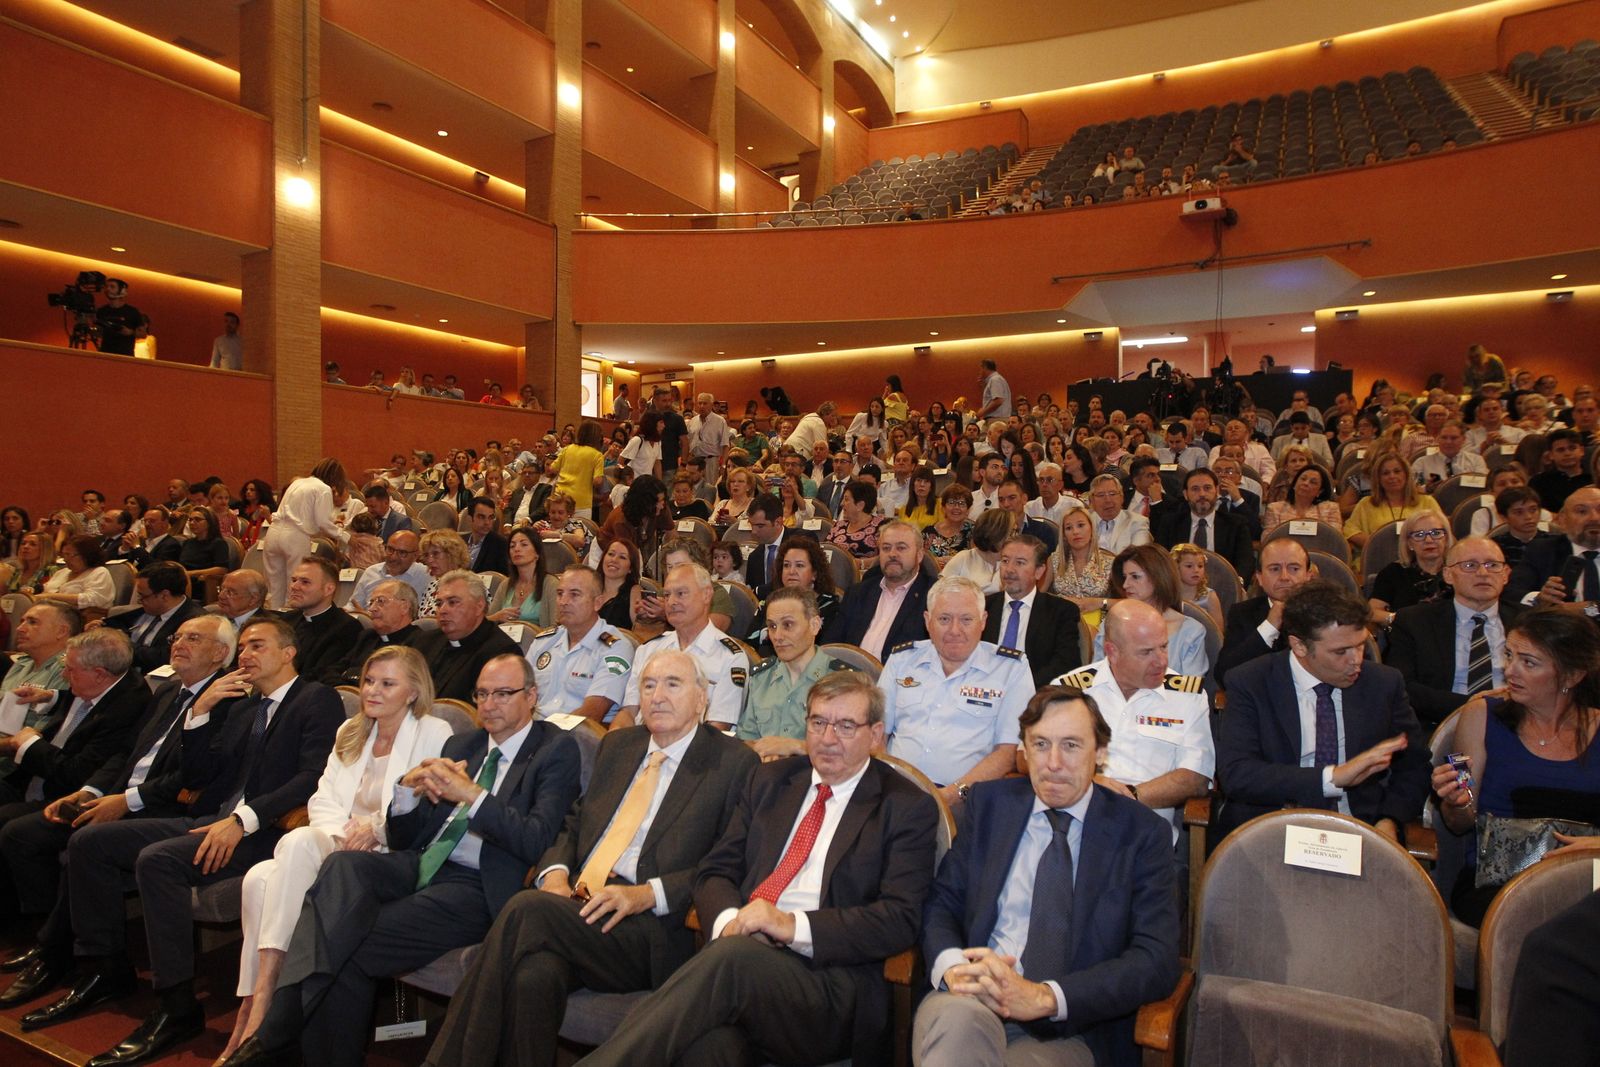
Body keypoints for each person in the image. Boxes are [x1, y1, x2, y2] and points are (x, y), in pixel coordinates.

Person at [217, 655, 582, 1067]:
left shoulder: (555, 749)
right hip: (420, 862)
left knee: (346, 941)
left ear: (531, 696)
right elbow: (410, 836)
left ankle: (277, 1030)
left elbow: (535, 839)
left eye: (503, 694)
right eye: (481, 694)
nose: (489, 704)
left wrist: (472, 796)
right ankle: (279, 1032)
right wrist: (406, 792)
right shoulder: (464, 745)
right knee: (343, 866)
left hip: (477, 884)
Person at [569, 669, 937, 1067]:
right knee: (708, 1050)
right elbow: (716, 871)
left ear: (876, 735)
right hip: (741, 967)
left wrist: (788, 926)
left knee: (731, 961)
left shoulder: (905, 807)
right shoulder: (771, 781)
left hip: (829, 983)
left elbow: (898, 918)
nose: (828, 738)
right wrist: (730, 921)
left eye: (846, 726)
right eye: (818, 722)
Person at [13, 617, 342, 1061]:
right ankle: (105, 967)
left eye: (257, 645)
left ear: (288, 653)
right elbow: (201, 775)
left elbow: (312, 776)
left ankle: (177, 1005)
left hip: (265, 832)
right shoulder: (243, 705)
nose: (246, 654)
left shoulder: (315, 699)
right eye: (242, 647)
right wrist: (201, 713)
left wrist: (244, 819)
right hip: (211, 819)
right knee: (90, 843)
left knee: (157, 860)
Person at [424, 648, 757, 1067]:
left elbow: (726, 864)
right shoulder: (619, 745)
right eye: (648, 685)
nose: (657, 696)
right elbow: (575, 822)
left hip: (647, 926)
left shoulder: (732, 762)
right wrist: (555, 874)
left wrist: (645, 895)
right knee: (534, 976)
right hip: (580, 905)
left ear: (701, 699)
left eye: (673, 684)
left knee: (525, 908)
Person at [914, 685, 1181, 1067]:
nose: (1053, 762)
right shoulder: (992, 806)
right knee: (957, 1027)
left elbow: (1155, 959)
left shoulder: (1140, 834)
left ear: (1100, 753)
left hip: (1071, 1027)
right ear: (1024, 750)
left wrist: (1045, 997)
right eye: (1040, 744)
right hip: (971, 1000)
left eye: (1071, 745)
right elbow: (942, 903)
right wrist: (955, 968)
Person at [219, 645, 453, 1058]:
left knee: (272, 866)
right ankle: (260, 1002)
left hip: (385, 852)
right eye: (367, 681)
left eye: (387, 684)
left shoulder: (434, 732)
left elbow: (422, 807)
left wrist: (374, 830)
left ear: (413, 691)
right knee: (262, 875)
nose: (372, 691)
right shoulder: (352, 730)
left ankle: (261, 1006)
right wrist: (343, 837)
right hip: (338, 841)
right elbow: (322, 800)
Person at [0, 617, 232, 1008]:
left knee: (82, 843)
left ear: (221, 653)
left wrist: (127, 801)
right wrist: (90, 791)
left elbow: (194, 777)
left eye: (194, 638)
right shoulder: (169, 689)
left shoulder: (227, 700)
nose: (178, 644)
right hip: (120, 794)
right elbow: (128, 751)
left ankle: (81, 960)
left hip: (164, 806)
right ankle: (59, 951)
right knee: (34, 829)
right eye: (177, 637)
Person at [1215, 582, 1431, 841]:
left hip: (1359, 827)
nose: (1356, 660)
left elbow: (1415, 767)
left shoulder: (1383, 684)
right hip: (1273, 828)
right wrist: (1332, 777)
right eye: (1341, 651)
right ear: (1300, 646)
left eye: (1361, 645)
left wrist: (1390, 820)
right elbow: (1238, 774)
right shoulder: (1251, 682)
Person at [1430, 607, 1600, 926]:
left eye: (1528, 662)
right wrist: (1455, 800)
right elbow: (1460, 822)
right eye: (1509, 655)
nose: (1510, 671)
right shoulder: (1481, 717)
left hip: (1588, 879)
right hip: (1498, 882)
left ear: (1573, 675)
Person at [1055, 598, 1213, 847]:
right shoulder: (1069, 690)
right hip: (1072, 834)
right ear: (1112, 651)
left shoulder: (1187, 696)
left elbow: (1196, 776)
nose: (1161, 661)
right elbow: (1029, 757)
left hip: (1145, 840)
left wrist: (1129, 797)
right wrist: (1088, 784)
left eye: (1163, 647)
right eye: (1146, 652)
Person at [880, 576, 1036, 807]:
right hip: (895, 791)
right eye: (944, 619)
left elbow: (1007, 752)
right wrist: (886, 783)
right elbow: (875, 733)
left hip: (966, 800)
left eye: (966, 619)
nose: (955, 630)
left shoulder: (1010, 669)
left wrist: (954, 794)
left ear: (982, 621)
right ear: (927, 620)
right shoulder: (902, 660)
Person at [1388, 538, 1523, 728]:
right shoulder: (1414, 621)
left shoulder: (1529, 621)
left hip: (1517, 721)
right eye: (1470, 565)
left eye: (1492, 565)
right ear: (1448, 575)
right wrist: (1472, 706)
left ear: (1506, 575)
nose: (1483, 573)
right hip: (1444, 722)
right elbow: (1403, 686)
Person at [612, 564, 750, 730]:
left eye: (681, 594)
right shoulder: (648, 650)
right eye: (667, 595)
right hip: (643, 744)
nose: (671, 602)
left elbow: (717, 728)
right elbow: (628, 712)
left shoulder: (730, 657)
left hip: (695, 750)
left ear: (706, 595)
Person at [736, 587, 859, 759]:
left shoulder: (844, 682)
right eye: (772, 626)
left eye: (788, 625)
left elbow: (855, 751)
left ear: (814, 626)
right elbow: (745, 738)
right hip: (765, 778)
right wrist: (761, 751)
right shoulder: (761, 677)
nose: (777, 636)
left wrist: (798, 747)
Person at [525, 565, 634, 721]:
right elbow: (520, 695)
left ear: (597, 603)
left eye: (574, 595)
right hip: (535, 732)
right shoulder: (544, 642)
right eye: (560, 594)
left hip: (579, 736)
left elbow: (593, 712)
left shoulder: (615, 647)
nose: (563, 602)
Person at [823, 518, 935, 659]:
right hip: (850, 676)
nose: (892, 554)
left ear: (919, 555)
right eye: (886, 548)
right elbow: (831, 646)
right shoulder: (858, 593)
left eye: (901, 547)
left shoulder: (934, 597)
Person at [982, 534, 1082, 688]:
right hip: (983, 693)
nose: (1009, 570)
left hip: (1035, 697)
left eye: (1020, 563)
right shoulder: (982, 607)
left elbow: (1066, 665)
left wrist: (1021, 689)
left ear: (1039, 571)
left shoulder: (1061, 612)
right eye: (1005, 561)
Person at [1214, 537, 1313, 687]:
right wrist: (1269, 627)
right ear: (1259, 578)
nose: (1284, 577)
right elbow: (1225, 675)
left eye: (1294, 568)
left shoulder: (1329, 614)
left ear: (1308, 576)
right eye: (1275, 569)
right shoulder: (1242, 613)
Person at [414, 570, 522, 702]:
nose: (443, 610)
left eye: (453, 602)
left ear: (479, 606)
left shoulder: (501, 653)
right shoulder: (425, 642)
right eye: (439, 604)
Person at [262, 458, 347, 609]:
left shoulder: (297, 482)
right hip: (295, 535)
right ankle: (292, 622)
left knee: (273, 586)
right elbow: (323, 522)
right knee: (295, 584)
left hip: (273, 532)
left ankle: (274, 618)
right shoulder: (323, 488)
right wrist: (346, 536)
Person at [1151, 467, 1255, 584]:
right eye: (1195, 489)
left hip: (1224, 586)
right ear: (1186, 494)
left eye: (1207, 488)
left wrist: (1236, 585)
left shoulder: (1236, 524)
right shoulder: (1170, 523)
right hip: (1179, 588)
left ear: (1216, 491)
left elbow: (1246, 562)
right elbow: (1160, 559)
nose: (1202, 494)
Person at [102, 561, 203, 675]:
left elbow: (162, 658)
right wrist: (102, 628)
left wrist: (120, 645)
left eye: (143, 596)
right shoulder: (149, 610)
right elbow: (122, 625)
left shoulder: (195, 622)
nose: (139, 601)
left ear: (164, 596)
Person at [1507, 485, 1600, 608]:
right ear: (1562, 520)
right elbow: (1512, 593)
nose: (1594, 518)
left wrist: (1589, 610)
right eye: (1582, 511)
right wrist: (1539, 598)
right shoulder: (1542, 550)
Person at [1343, 449, 1444, 551]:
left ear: (1406, 474)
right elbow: (1350, 530)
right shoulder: (1366, 503)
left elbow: (1443, 531)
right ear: (1378, 479)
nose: (1392, 476)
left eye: (1397, 471)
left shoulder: (1427, 502)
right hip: (1378, 557)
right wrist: (1376, 543)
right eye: (1385, 473)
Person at [1368, 510, 1453, 628]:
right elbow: (1372, 612)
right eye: (1419, 535)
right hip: (1408, 639)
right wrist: (1399, 620)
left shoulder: (1459, 570)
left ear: (1446, 539)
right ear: (1409, 543)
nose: (1428, 540)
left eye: (1436, 533)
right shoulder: (1394, 572)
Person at [487, 526, 556, 627]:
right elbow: (484, 623)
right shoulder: (505, 585)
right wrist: (497, 617)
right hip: (504, 641)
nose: (517, 549)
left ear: (537, 553)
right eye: (512, 546)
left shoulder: (551, 584)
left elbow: (557, 628)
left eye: (524, 545)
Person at [550, 422, 608, 519]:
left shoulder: (567, 449)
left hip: (560, 498)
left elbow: (552, 468)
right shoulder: (597, 455)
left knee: (557, 531)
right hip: (581, 503)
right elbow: (597, 481)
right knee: (579, 532)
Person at [1263, 462, 1342, 532]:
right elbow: (1268, 539)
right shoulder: (1275, 509)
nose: (1306, 483)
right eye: (1303, 479)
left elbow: (1335, 540)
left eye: (1313, 482)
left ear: (1320, 491)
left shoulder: (1331, 509)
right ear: (1294, 484)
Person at [1530, 427, 1594, 512]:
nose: (1567, 453)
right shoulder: (1539, 482)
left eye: (1572, 448)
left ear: (1582, 451)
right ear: (1551, 455)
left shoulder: (1594, 479)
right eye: (1560, 450)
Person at [1087, 474, 1151, 555]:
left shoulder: (1137, 522)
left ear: (1122, 497)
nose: (1108, 500)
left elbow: (1138, 557)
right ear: (1091, 500)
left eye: (1112, 494)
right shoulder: (1085, 522)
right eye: (1101, 495)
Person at [825, 479, 886, 560]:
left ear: (860, 505)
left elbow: (885, 556)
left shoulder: (881, 526)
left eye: (846, 499)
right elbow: (825, 550)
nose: (841, 504)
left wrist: (860, 564)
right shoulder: (839, 525)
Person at [924, 484, 975, 565]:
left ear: (968, 509)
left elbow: (977, 561)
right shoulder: (928, 532)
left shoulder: (975, 531)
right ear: (943, 507)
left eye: (962, 503)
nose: (956, 507)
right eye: (951, 502)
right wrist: (935, 562)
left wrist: (954, 561)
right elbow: (920, 560)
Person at [93, 278, 142, 356]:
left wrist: (130, 332)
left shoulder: (132, 312)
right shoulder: (101, 311)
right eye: (106, 286)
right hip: (105, 354)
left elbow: (143, 334)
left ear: (122, 290)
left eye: (112, 287)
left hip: (125, 356)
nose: (108, 289)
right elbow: (97, 333)